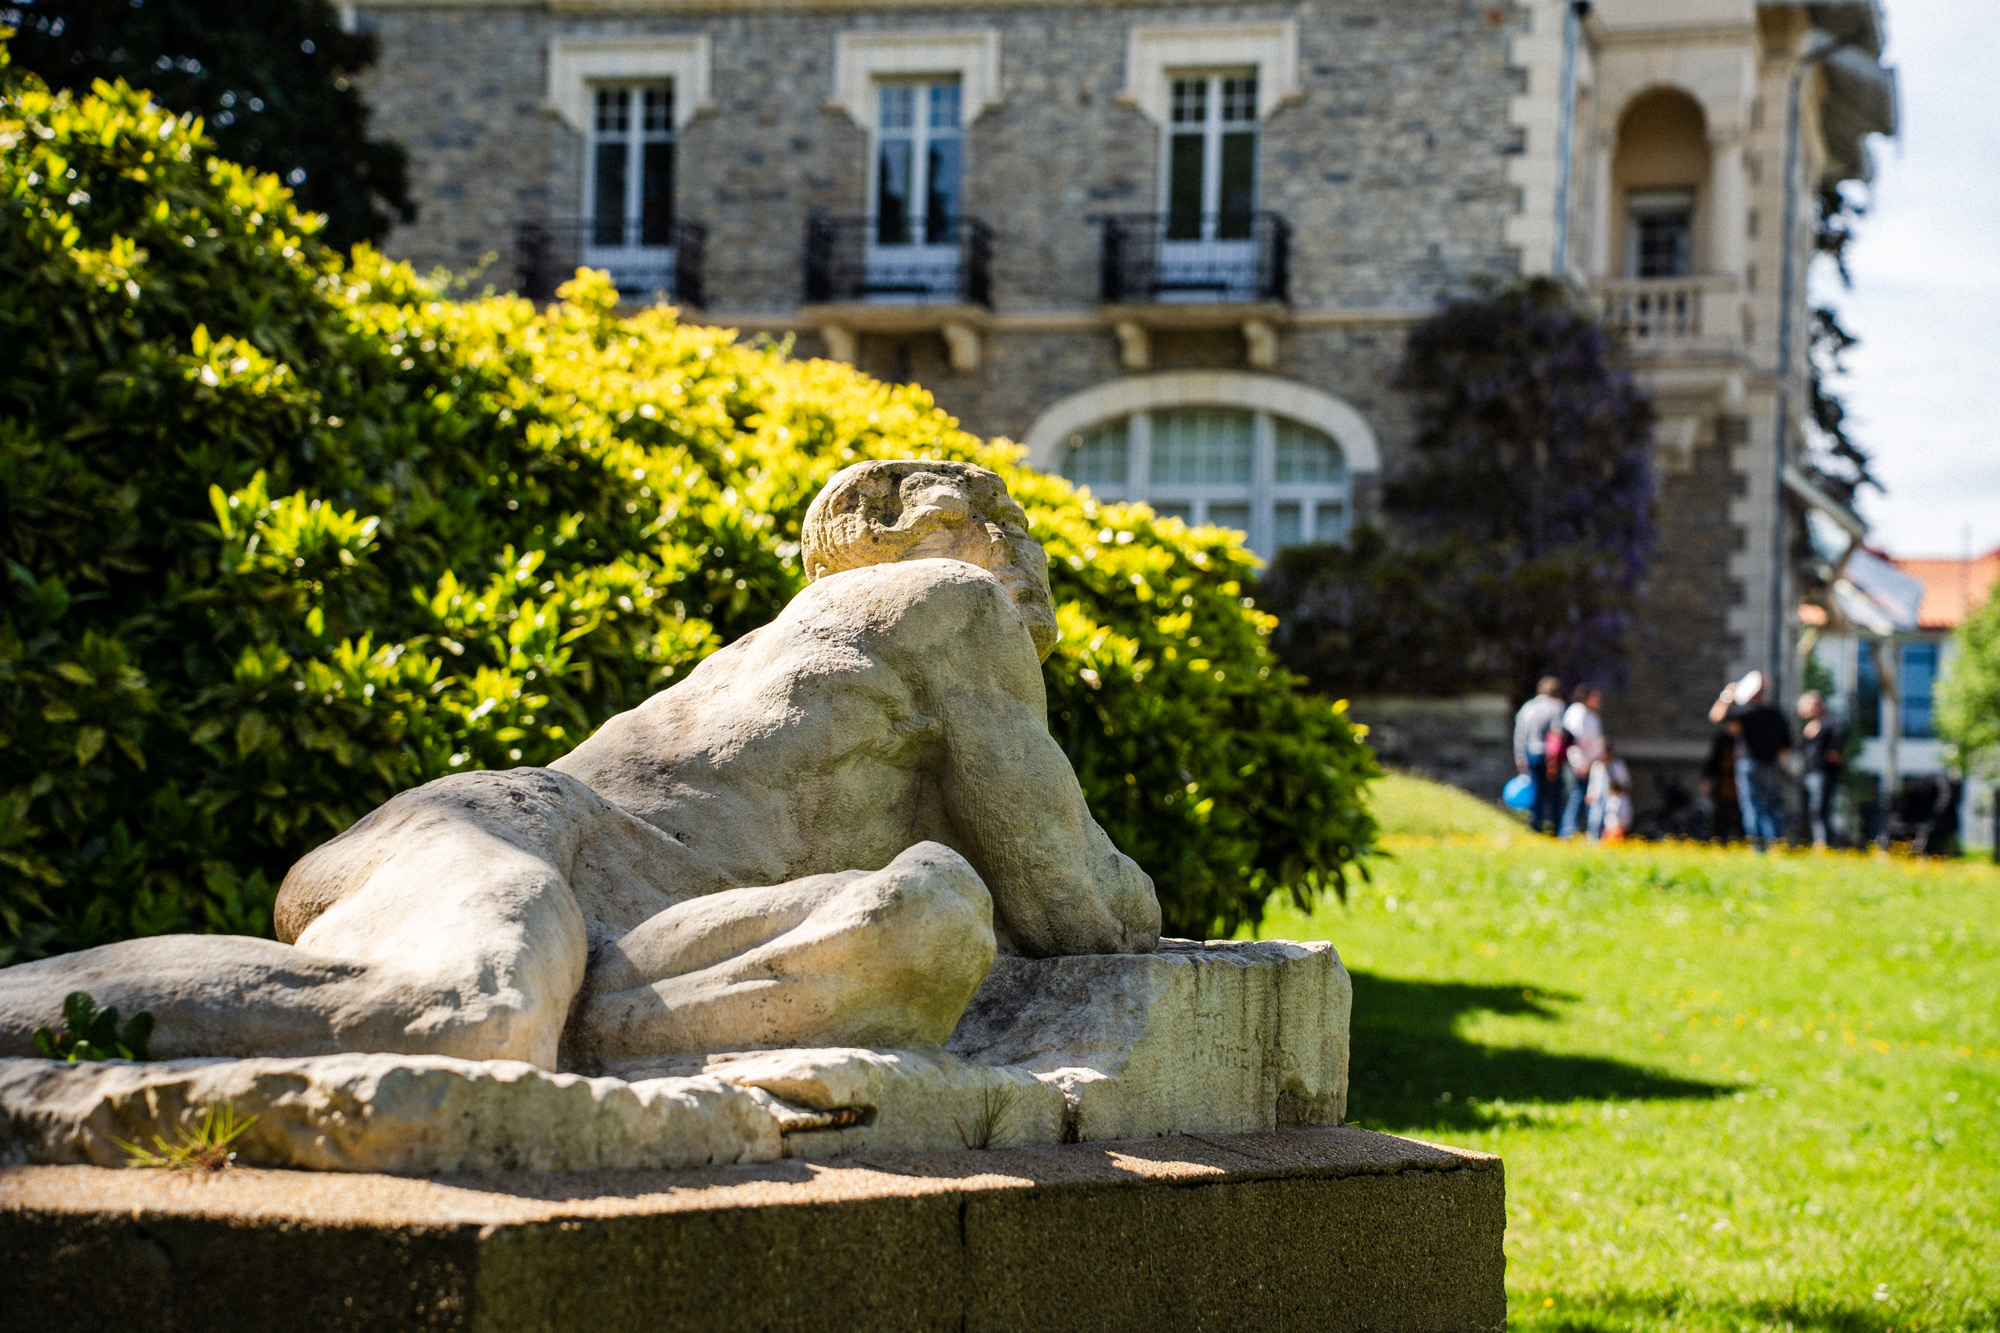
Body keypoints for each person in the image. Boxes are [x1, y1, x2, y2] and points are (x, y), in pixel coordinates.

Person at [0, 461, 1162, 1067]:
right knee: (459, 1017)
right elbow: (1073, 903)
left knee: (932, 911)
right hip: (521, 834)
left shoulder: (845, 663)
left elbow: (1025, 894)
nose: (1027, 554)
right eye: (995, 519)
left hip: (636, 916)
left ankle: (592, 1031)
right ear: (899, 530)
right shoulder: (944, 601)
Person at [1708, 670, 1792, 850]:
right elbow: (1785, 747)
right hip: (1770, 766)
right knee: (1772, 806)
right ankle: (1775, 845)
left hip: (1749, 764)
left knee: (1752, 806)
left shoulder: (1746, 711)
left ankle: (1758, 847)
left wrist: (1728, 694)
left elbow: (1716, 715)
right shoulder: (1775, 713)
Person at [1512, 676, 1568, 834]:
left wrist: (1519, 756)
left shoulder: (1527, 707)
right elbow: (1556, 734)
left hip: (1530, 754)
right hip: (1548, 755)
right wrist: (1553, 761)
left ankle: (1535, 825)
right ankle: (1556, 828)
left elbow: (1519, 734)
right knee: (1554, 793)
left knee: (1535, 791)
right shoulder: (1555, 707)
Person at [1796, 691, 1845, 848]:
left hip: (1823, 773)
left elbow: (1835, 750)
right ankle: (1817, 842)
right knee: (1812, 811)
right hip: (1810, 772)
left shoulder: (1830, 723)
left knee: (1819, 810)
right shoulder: (1812, 725)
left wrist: (1832, 755)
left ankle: (1823, 843)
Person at [1560, 684, 1605, 838]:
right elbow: (1572, 741)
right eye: (1596, 696)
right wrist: (1579, 764)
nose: (1599, 700)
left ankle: (1589, 833)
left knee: (1590, 798)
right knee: (1576, 796)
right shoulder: (1577, 712)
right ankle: (1567, 831)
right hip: (1578, 764)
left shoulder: (1592, 715)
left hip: (1591, 764)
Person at [1585, 741, 1633, 842]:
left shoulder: (1618, 765)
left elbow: (1626, 784)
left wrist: (1616, 788)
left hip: (1613, 799)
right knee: (1594, 820)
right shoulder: (1597, 765)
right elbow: (1592, 782)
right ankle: (1593, 841)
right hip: (1598, 798)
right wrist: (1590, 793)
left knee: (1612, 824)